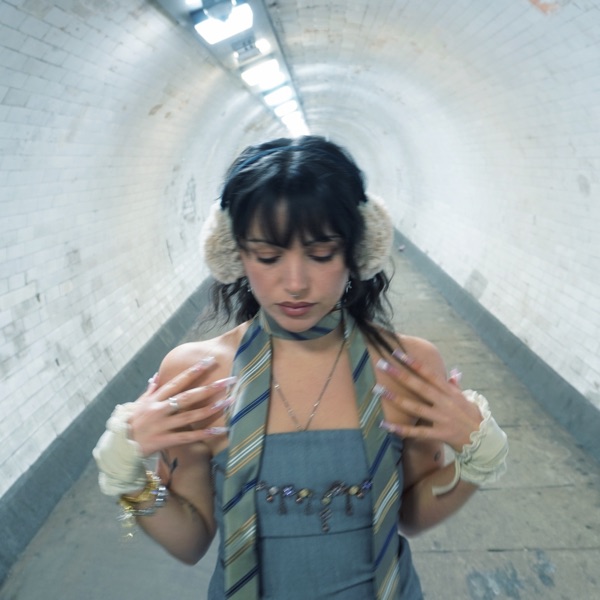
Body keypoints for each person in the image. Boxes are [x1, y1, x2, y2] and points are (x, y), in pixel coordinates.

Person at [93, 135, 508, 599]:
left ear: (358, 250)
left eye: (321, 254)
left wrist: (476, 464)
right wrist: (130, 480)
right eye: (268, 257)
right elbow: (191, 542)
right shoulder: (197, 374)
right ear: (235, 254)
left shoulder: (405, 367)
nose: (295, 283)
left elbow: (409, 515)